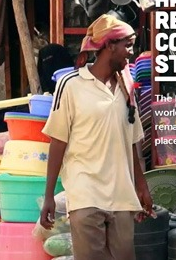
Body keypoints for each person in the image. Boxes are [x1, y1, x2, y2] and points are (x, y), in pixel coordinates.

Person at [40, 14, 153, 260]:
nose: (131, 52)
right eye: (128, 45)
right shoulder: (70, 85)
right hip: (86, 194)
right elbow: (58, 141)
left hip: (121, 195)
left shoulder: (126, 85)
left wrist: (141, 187)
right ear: (109, 45)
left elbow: (131, 143)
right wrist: (49, 195)